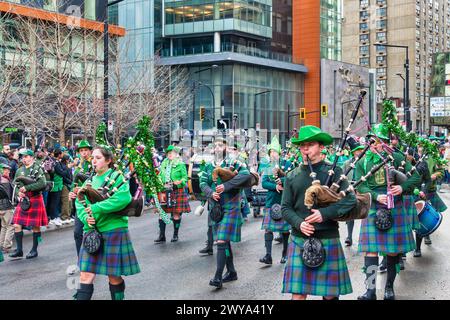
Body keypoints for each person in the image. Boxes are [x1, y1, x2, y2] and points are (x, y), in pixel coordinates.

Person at [281, 125, 356, 300]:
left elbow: (350, 199)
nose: (305, 148)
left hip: (328, 236)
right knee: (298, 295)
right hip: (300, 237)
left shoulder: (334, 171)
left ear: (321, 147)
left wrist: (325, 213)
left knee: (329, 295)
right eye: (302, 145)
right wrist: (299, 223)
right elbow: (285, 208)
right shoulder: (292, 175)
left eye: (310, 144)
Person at [355, 124, 420, 300]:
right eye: (372, 141)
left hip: (394, 207)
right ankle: (370, 291)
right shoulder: (362, 161)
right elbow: (360, 185)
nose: (375, 144)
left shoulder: (397, 158)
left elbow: (416, 177)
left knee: (392, 251)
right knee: (370, 250)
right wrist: (375, 196)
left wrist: (402, 187)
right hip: (373, 207)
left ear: (385, 142)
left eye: (378, 141)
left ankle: (389, 288)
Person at [73, 146, 140, 300]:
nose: (94, 161)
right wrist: (85, 218)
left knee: (114, 276)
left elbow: (123, 199)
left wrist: (96, 208)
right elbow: (80, 202)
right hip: (92, 231)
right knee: (85, 275)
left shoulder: (117, 177)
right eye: (93, 158)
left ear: (108, 160)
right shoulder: (89, 181)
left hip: (113, 230)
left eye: (98, 158)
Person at [201, 137, 251, 289]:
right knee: (225, 242)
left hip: (231, 206)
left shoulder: (234, 163)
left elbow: (246, 175)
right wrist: (210, 193)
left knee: (221, 241)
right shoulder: (208, 166)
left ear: (226, 148)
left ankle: (217, 277)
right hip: (216, 208)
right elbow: (203, 183)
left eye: (220, 145)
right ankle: (232, 272)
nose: (217, 148)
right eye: (215, 145)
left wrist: (226, 186)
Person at [9, 149, 48, 260]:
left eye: (26, 156)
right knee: (16, 224)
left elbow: (42, 183)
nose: (24, 159)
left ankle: (34, 249)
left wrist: (27, 188)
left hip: (35, 198)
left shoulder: (37, 169)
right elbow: (15, 184)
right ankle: (19, 250)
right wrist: (18, 193)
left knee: (35, 226)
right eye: (22, 157)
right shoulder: (19, 170)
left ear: (31, 157)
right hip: (24, 200)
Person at [260, 136, 291, 265]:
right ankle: (268, 255)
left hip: (284, 200)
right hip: (271, 201)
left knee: (284, 230)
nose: (273, 154)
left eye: (275, 152)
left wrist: (282, 182)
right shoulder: (268, 166)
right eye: (271, 152)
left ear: (279, 153)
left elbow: (291, 178)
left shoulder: (287, 164)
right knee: (268, 229)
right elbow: (264, 183)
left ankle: (285, 254)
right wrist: (275, 186)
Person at [155, 145, 191, 243]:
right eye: (169, 153)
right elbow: (159, 175)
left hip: (176, 191)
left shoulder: (181, 164)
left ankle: (175, 235)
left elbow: (185, 177)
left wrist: (180, 182)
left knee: (175, 214)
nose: (170, 155)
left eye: (172, 153)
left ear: (176, 154)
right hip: (164, 190)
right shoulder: (163, 163)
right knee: (162, 213)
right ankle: (162, 236)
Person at [69, 140, 93, 257]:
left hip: (93, 202)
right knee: (77, 232)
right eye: (81, 151)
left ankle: (95, 256)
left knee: (94, 231)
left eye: (85, 150)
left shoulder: (94, 164)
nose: (83, 153)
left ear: (90, 151)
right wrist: (71, 193)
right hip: (81, 203)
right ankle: (81, 258)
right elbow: (73, 184)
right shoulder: (78, 167)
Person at [343, 136, 366, 247]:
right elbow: (342, 176)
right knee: (351, 215)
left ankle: (364, 238)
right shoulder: (347, 163)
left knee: (364, 214)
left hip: (363, 190)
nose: (360, 152)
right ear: (353, 152)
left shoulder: (365, 162)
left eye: (361, 150)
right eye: (358, 150)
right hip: (351, 190)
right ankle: (349, 236)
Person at [46, 149, 64, 226]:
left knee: (54, 202)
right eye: (62, 153)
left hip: (57, 184)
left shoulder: (54, 161)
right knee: (54, 202)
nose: (62, 155)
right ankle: (53, 217)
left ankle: (53, 217)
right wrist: (66, 170)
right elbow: (61, 172)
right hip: (55, 185)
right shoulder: (55, 163)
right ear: (59, 154)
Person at [0, 163, 15, 253]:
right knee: (10, 226)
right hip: (7, 206)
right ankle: (7, 246)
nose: (8, 171)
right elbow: (10, 195)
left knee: (4, 226)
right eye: (6, 169)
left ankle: (1, 245)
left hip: (1, 207)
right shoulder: (5, 181)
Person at [60, 154, 73, 224]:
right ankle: (64, 217)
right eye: (68, 159)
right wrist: (70, 182)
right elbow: (64, 177)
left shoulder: (67, 166)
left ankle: (68, 216)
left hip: (68, 185)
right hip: (65, 185)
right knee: (65, 201)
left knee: (69, 201)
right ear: (66, 160)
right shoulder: (63, 166)